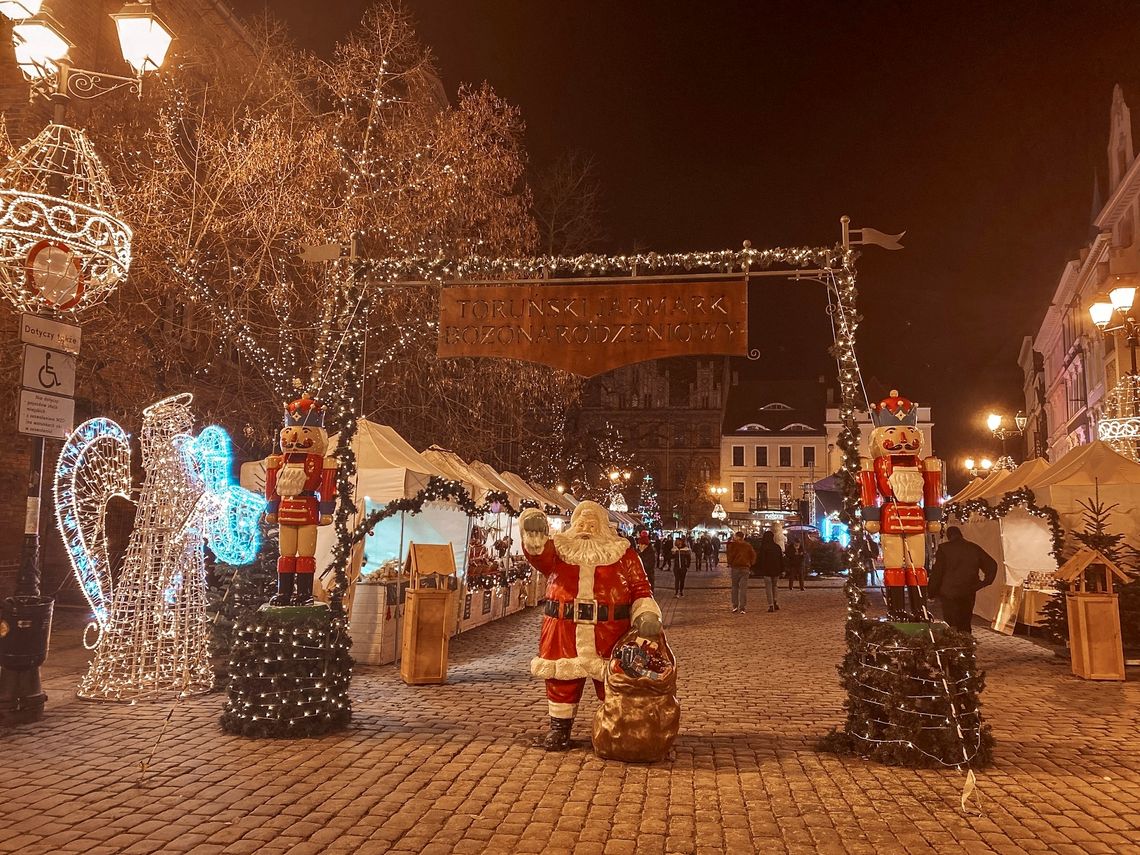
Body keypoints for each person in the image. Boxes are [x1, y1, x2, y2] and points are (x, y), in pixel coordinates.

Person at [519, 501, 662, 751]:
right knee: (561, 680)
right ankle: (559, 728)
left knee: (612, 682)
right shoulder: (560, 550)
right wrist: (534, 532)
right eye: (581, 523)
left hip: (609, 630)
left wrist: (646, 613)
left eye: (592, 524)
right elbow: (538, 554)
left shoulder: (623, 553)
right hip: (564, 628)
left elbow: (640, 587)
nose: (586, 528)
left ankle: (616, 727)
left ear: (603, 527)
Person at [929, 526, 998, 633]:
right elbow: (992, 565)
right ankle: (966, 643)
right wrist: (983, 583)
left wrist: (931, 592)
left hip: (948, 591)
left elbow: (937, 572)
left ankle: (954, 644)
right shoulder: (973, 548)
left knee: (950, 623)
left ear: (948, 536)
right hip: (967, 590)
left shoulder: (944, 549)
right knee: (965, 621)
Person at [725, 531, 756, 613]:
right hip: (745, 567)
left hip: (735, 567)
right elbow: (753, 555)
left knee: (735, 587)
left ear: (737, 537)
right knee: (743, 588)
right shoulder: (747, 545)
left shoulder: (733, 545)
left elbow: (730, 555)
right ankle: (742, 607)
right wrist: (750, 563)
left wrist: (730, 563)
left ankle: (735, 605)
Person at [755, 530, 784, 612]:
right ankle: (775, 601)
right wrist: (782, 569)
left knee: (768, 588)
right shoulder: (777, 547)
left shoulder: (764, 547)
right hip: (776, 570)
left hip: (767, 570)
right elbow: (781, 559)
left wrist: (759, 569)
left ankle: (771, 604)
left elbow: (761, 560)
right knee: (775, 586)